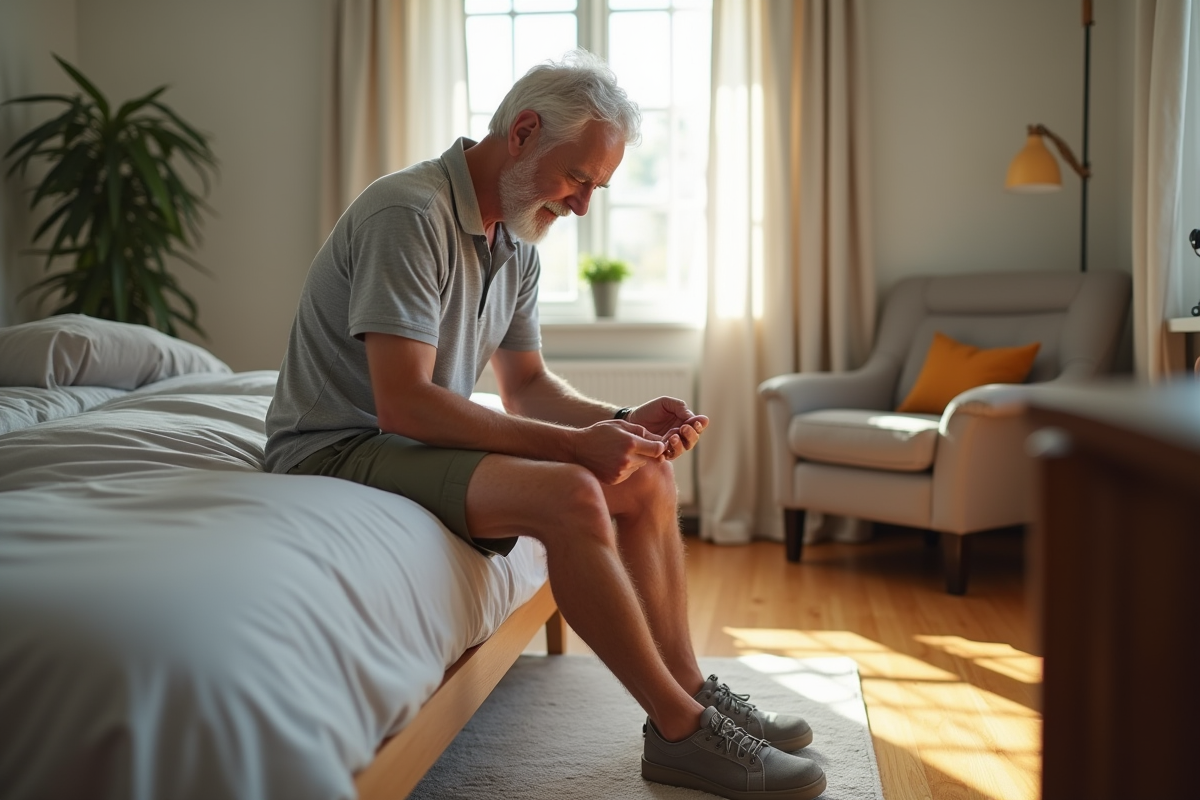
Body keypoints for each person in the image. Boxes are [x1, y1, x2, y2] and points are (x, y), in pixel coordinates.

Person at [265, 49, 827, 800]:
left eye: (597, 187)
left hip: (402, 441)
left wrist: (624, 424)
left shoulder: (516, 242)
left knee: (647, 473)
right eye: (580, 179)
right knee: (573, 493)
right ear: (523, 131)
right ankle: (679, 734)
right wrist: (578, 449)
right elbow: (405, 403)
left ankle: (690, 689)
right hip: (337, 447)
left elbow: (525, 387)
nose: (584, 206)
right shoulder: (410, 212)